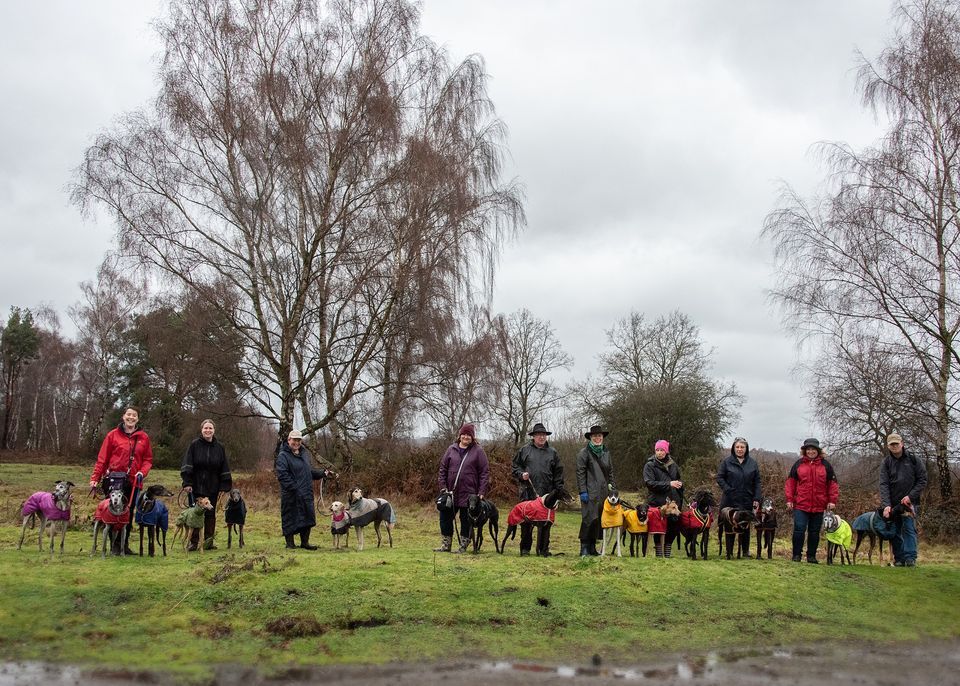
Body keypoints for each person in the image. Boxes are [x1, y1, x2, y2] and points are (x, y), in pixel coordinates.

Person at [89, 406, 153, 554]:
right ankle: (113, 545)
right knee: (112, 510)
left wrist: (142, 473)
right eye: (128, 415)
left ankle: (124, 544)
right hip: (114, 480)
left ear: (138, 419)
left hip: (133, 480)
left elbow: (148, 460)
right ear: (123, 416)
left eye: (134, 415)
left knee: (128, 512)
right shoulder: (112, 435)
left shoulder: (144, 437)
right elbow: (102, 458)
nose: (131, 418)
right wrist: (95, 478)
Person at [435, 423, 490, 554]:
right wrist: (443, 487)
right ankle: (446, 544)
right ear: (459, 436)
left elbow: (484, 472)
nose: (466, 437)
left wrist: (481, 492)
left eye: (468, 435)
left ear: (472, 437)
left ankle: (463, 545)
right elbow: (443, 469)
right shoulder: (451, 449)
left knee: (466, 521)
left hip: (469, 494)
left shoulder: (478, 451)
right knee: (445, 519)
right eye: (464, 434)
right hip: (450, 493)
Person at [511, 422, 564, 556]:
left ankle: (543, 549)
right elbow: (515, 467)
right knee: (526, 522)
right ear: (533, 436)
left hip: (547, 494)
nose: (541, 437)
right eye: (538, 435)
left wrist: (558, 491)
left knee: (546, 523)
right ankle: (525, 549)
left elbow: (558, 473)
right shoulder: (524, 450)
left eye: (543, 435)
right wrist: (521, 475)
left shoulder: (553, 452)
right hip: (528, 491)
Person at [275, 429, 334, 550]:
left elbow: (309, 471)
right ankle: (290, 544)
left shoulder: (304, 454)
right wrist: (295, 488)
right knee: (290, 518)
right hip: (291, 495)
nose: (296, 442)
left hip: (306, 493)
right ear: (289, 440)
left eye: (298, 440)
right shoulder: (283, 456)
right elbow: (282, 475)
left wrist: (323, 473)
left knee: (308, 518)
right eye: (294, 440)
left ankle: (305, 543)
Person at [180, 419, 233, 551]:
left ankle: (208, 542)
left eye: (210, 428)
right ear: (201, 430)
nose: (208, 431)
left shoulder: (219, 447)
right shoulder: (194, 445)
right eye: (205, 428)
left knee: (210, 514)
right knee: (195, 514)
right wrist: (187, 482)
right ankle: (193, 542)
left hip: (213, 486)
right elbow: (187, 464)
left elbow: (224, 467)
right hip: (196, 486)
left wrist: (224, 487)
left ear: (214, 430)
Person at [784, 438, 838, 563]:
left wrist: (832, 500)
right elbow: (790, 483)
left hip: (819, 504)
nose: (811, 451)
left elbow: (833, 484)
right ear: (804, 451)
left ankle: (811, 556)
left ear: (818, 451)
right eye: (808, 449)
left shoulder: (826, 465)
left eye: (813, 449)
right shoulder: (798, 464)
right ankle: (796, 555)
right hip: (801, 504)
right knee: (799, 528)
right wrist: (789, 499)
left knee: (814, 532)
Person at [880, 433, 927, 567]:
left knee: (909, 529)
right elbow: (883, 484)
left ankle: (910, 558)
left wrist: (910, 496)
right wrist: (886, 505)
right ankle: (899, 558)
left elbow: (922, 480)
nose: (894, 446)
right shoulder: (886, 463)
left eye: (896, 443)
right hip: (893, 504)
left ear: (902, 444)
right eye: (892, 444)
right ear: (888, 446)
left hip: (910, 503)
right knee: (895, 530)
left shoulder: (913, 459)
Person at [716, 436, 762, 556]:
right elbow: (719, 478)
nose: (740, 449)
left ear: (746, 449)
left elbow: (757, 482)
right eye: (737, 447)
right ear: (733, 448)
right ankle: (729, 552)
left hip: (747, 498)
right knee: (729, 525)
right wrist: (728, 489)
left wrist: (757, 498)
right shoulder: (726, 462)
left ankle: (745, 551)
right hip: (729, 499)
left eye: (742, 447)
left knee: (745, 525)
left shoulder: (753, 463)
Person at [576, 424, 615, 557]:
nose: (597, 438)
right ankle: (584, 547)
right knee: (588, 519)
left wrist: (612, 488)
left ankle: (593, 547)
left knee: (598, 520)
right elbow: (580, 473)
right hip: (590, 491)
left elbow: (610, 472)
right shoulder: (584, 453)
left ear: (602, 437)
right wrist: (582, 491)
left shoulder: (606, 453)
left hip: (604, 492)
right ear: (590, 438)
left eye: (599, 436)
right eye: (594, 436)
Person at [643, 439, 683, 556]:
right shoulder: (649, 465)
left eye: (662, 450)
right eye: (657, 450)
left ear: (666, 451)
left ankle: (668, 552)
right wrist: (668, 484)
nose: (659, 452)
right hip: (657, 502)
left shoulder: (673, 465)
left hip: (673, 502)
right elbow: (649, 483)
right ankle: (659, 554)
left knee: (674, 527)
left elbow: (678, 478)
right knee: (658, 528)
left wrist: (680, 484)